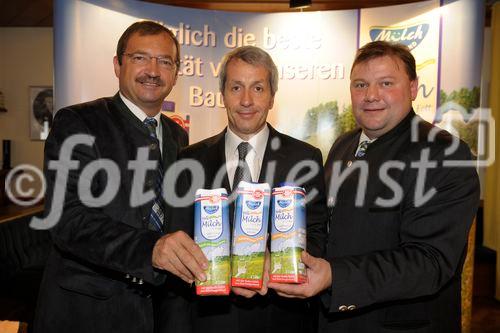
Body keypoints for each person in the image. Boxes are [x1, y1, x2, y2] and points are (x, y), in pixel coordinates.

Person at [268, 41, 480, 333]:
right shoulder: (343, 146)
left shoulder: (444, 153)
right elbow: (329, 227)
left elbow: (429, 261)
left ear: (413, 87)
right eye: (360, 84)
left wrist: (334, 276)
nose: (371, 95)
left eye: (386, 83)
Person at [34, 21, 208, 333]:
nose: (153, 70)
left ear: (176, 71)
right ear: (118, 65)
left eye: (165, 61)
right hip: (90, 313)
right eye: (141, 58)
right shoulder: (79, 123)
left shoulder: (177, 135)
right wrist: (150, 249)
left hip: (160, 313)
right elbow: (66, 218)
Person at [172, 46, 328, 333]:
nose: (246, 100)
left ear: (271, 97)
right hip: (209, 319)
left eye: (257, 88)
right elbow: (180, 238)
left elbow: (317, 234)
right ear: (223, 95)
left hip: (280, 317)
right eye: (236, 88)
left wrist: (280, 263)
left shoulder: (305, 158)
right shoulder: (189, 159)